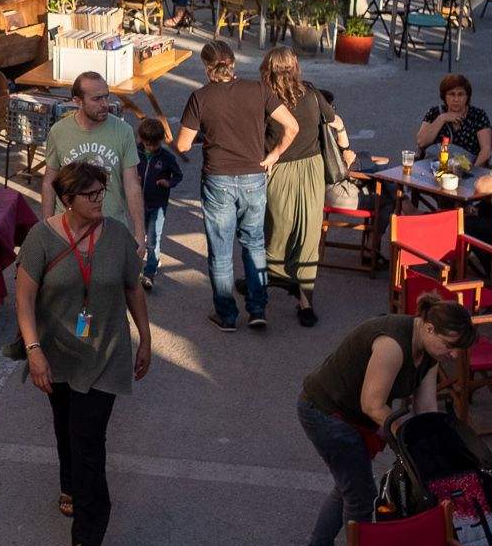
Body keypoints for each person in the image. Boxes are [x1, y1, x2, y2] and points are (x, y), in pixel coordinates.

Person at [290, 295, 480, 546]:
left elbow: (426, 408)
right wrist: (404, 436)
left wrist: (432, 443)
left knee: (347, 488)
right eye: (450, 345)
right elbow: (372, 404)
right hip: (326, 412)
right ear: (429, 329)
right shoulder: (392, 344)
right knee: (360, 495)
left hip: (351, 415)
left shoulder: (429, 353)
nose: (454, 355)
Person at [14, 159, 154, 546]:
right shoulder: (42, 238)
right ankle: (69, 485)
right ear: (68, 200)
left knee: (89, 439)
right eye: (90, 195)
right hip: (56, 352)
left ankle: (89, 534)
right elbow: (24, 299)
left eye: (101, 193)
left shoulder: (118, 237)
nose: (99, 201)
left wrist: (145, 337)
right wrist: (34, 350)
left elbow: (133, 289)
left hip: (105, 355)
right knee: (64, 424)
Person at [174, 39, 301, 332]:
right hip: (254, 175)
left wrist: (207, 136)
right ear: (233, 63)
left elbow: (182, 144)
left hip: (218, 177)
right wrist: (274, 154)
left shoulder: (200, 97)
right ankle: (258, 309)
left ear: (207, 68)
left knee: (220, 249)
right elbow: (292, 126)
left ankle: (227, 315)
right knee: (254, 243)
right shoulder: (259, 90)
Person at [260, 47, 354, 328]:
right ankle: (305, 302)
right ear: (295, 67)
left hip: (279, 171)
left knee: (276, 229)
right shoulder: (312, 93)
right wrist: (346, 149)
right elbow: (337, 121)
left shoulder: (265, 99)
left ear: (268, 70)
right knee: (309, 233)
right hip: (312, 170)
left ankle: (264, 286)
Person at [43, 72, 148, 251]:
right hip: (69, 232)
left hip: (111, 230)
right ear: (78, 101)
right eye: (97, 99)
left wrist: (139, 233)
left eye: (106, 96)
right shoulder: (58, 132)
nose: (105, 104)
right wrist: (46, 228)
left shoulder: (124, 131)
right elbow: (49, 181)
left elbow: (132, 184)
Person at [136, 115, 183, 289]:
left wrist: (168, 183)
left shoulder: (166, 158)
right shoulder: (135, 152)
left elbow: (178, 175)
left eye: (155, 145)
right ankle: (136, 267)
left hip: (158, 204)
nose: (151, 148)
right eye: (148, 144)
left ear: (161, 141)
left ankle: (149, 272)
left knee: (153, 239)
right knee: (138, 236)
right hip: (139, 203)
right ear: (142, 140)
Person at [415, 74, 492, 168]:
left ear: (467, 97)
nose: (456, 99)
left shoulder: (478, 115)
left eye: (460, 94)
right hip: (433, 165)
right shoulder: (435, 112)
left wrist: (473, 172)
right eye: (451, 94)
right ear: (444, 96)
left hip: (464, 169)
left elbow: (486, 150)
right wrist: (442, 118)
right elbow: (421, 142)